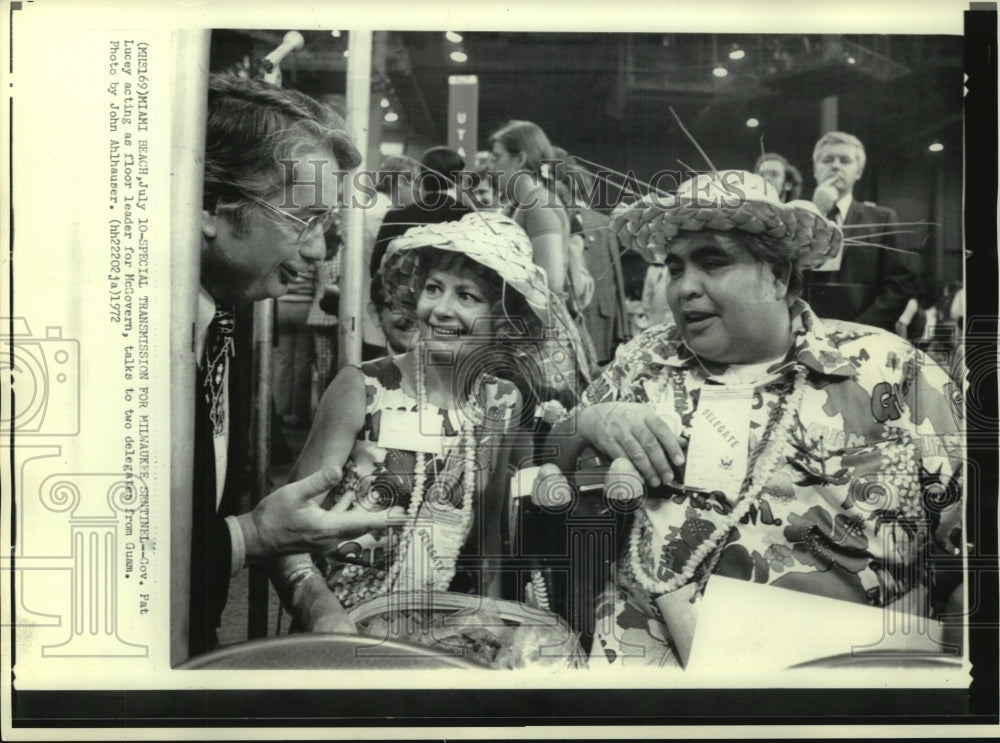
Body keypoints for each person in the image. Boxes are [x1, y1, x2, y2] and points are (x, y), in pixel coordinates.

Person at [541, 171, 963, 668]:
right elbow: (553, 452)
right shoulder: (644, 360)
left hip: (827, 675)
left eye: (712, 262)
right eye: (675, 268)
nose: (684, 288)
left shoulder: (891, 371)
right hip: (646, 662)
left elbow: (971, 542)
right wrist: (593, 420)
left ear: (777, 275)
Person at [272, 213, 570, 629]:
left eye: (466, 296)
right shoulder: (362, 387)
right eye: (433, 288)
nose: (441, 309)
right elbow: (284, 527)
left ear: (501, 318)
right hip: (342, 626)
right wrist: (316, 606)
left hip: (439, 630)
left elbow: (488, 540)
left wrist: (490, 623)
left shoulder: (501, 401)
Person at [190, 73, 395, 656]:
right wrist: (251, 536)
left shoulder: (228, 314)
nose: (316, 249)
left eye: (324, 225)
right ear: (209, 205)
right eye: (302, 219)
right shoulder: (125, 346)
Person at [802, 131, 921, 332]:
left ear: (858, 171)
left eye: (845, 160)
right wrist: (817, 212)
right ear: (815, 169)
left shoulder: (882, 219)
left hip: (865, 333)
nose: (835, 166)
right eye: (827, 160)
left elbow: (900, 284)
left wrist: (859, 330)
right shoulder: (796, 216)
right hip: (805, 332)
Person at [370, 146, 472, 282]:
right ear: (459, 178)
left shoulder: (395, 217)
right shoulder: (469, 217)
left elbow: (375, 269)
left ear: (422, 177)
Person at [361, 155, 419, 360]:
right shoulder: (383, 214)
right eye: (415, 183)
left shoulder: (372, 207)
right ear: (401, 181)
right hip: (379, 309)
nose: (417, 192)